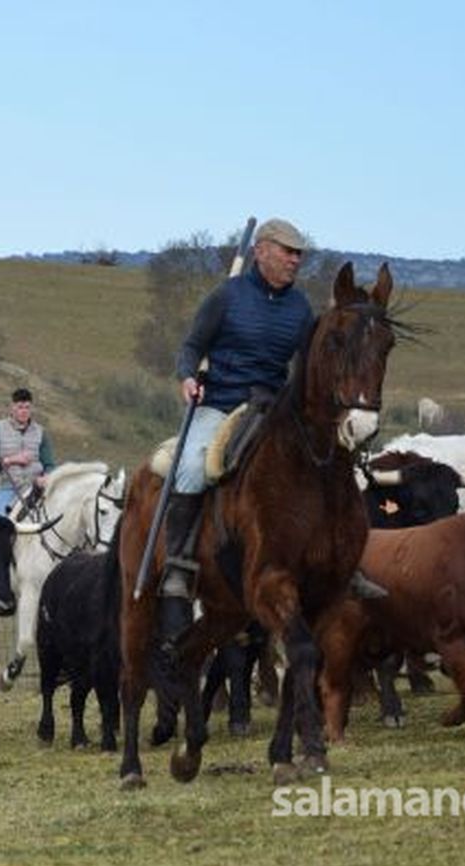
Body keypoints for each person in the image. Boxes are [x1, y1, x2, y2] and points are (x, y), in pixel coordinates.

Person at [158, 219, 319, 654]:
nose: (295, 260)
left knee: (322, 467)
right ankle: (178, 564)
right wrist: (188, 377)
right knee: (191, 467)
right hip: (221, 405)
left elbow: (309, 369)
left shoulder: (302, 310)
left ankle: (334, 562)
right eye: (287, 251)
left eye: (299, 253)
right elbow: (191, 346)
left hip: (273, 409)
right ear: (261, 251)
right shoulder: (225, 297)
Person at [0, 387, 56, 516]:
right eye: (20, 407)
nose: (24, 411)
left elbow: (49, 464)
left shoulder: (41, 432)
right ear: (12, 407)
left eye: (27, 407)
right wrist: (12, 460)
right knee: (1, 525)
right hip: (7, 488)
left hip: (35, 488)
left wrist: (46, 476)